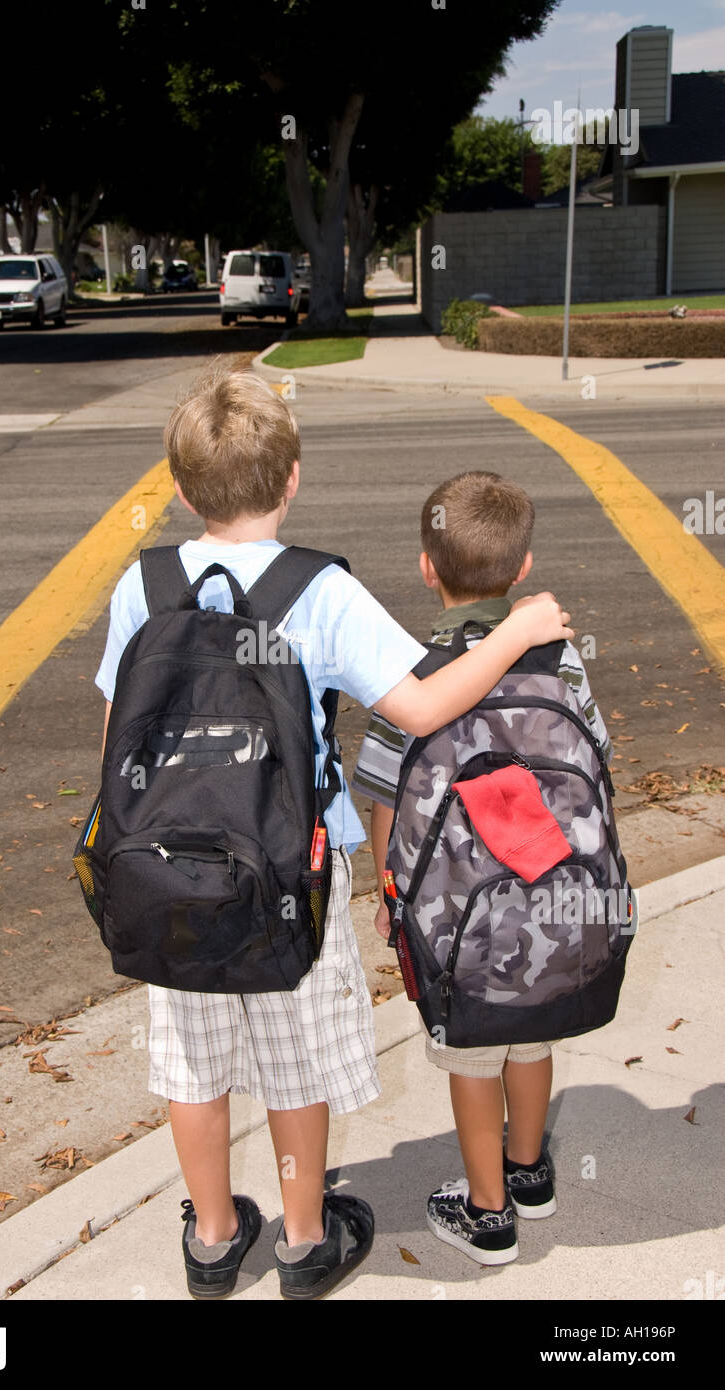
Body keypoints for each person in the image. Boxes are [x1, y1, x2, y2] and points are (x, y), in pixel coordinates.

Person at [94, 371, 573, 1298]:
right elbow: (426, 702)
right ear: (293, 480)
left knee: (191, 1062)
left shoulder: (141, 584)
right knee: (293, 1057)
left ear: (183, 491)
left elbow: (117, 739)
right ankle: (306, 1239)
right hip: (289, 870)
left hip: (163, 871)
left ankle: (213, 1239)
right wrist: (514, 636)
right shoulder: (317, 590)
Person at [353, 470, 611, 1266]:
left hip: (459, 915)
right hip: (554, 898)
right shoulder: (562, 663)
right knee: (532, 1037)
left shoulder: (415, 679)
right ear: (523, 566)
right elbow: (595, 757)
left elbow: (385, 799)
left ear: (427, 567)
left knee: (472, 1055)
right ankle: (530, 1173)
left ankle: (487, 1211)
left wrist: (392, 892)